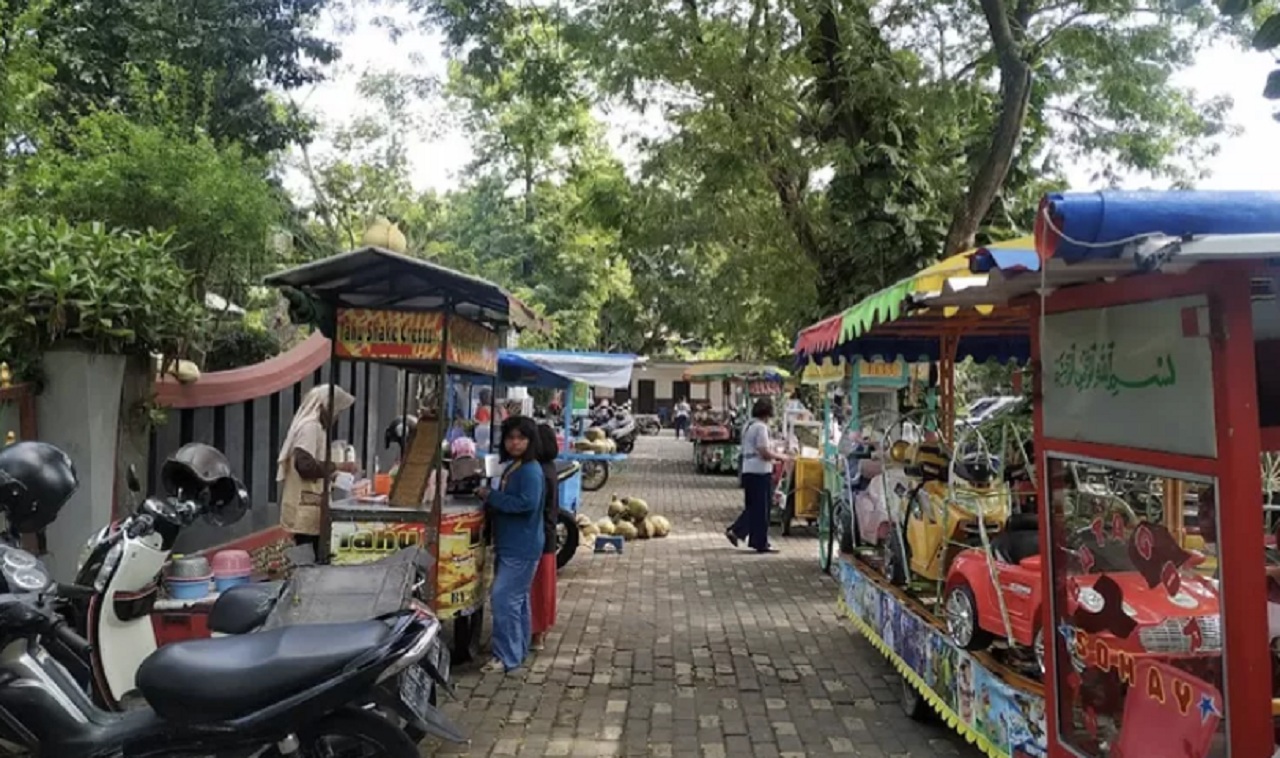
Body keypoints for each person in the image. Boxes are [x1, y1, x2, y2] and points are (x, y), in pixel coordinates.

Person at [475, 416, 545, 673]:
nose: (515, 443)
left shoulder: (530, 471)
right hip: (512, 543)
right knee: (517, 600)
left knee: (503, 598)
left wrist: (492, 497)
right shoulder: (515, 466)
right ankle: (517, 650)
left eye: (521, 438)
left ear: (530, 441)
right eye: (510, 438)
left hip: (522, 546)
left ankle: (506, 657)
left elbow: (526, 504)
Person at [277, 385, 358, 552]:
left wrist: (334, 475)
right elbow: (305, 466)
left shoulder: (318, 429)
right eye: (335, 411)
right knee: (308, 554)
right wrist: (338, 466)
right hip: (304, 506)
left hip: (311, 506)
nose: (336, 417)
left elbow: (314, 463)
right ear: (325, 408)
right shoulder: (310, 427)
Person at [726, 398, 790, 553]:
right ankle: (751, 537)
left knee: (753, 506)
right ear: (767, 413)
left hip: (748, 469)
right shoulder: (761, 427)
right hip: (760, 471)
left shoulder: (748, 425)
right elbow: (764, 451)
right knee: (761, 508)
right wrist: (781, 457)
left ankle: (746, 536)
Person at [530, 424, 561, 651]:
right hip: (547, 534)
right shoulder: (548, 468)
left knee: (538, 588)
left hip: (540, 535)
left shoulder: (539, 471)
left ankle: (537, 634)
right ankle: (539, 631)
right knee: (543, 588)